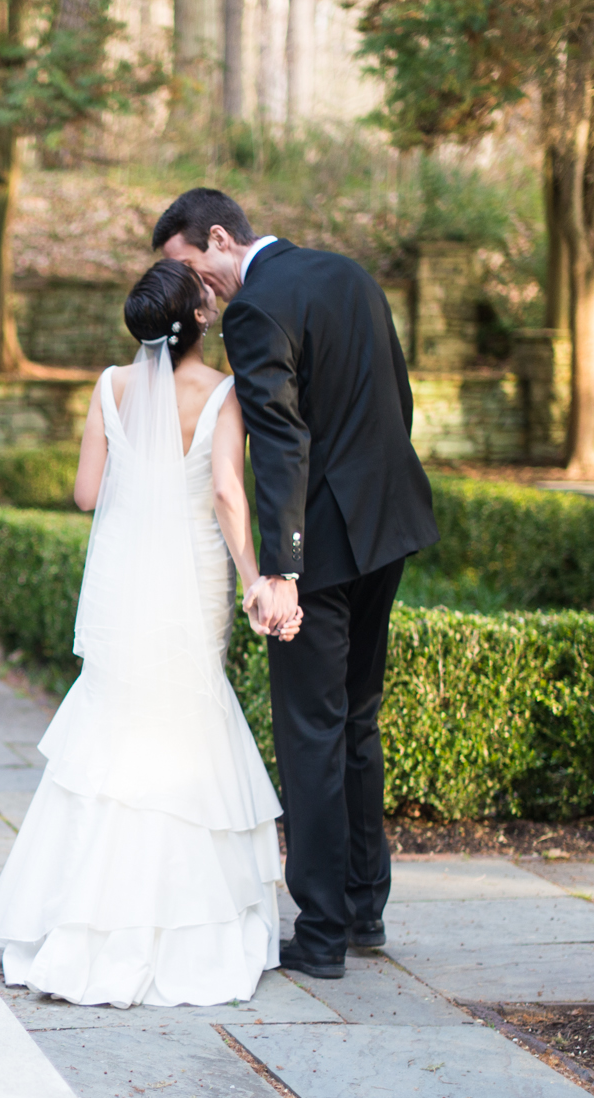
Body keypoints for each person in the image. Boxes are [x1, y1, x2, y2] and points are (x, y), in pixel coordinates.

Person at [0, 259, 302, 1008]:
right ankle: (185, 927)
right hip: (191, 580)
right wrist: (257, 575)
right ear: (201, 319)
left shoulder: (108, 387)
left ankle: (78, 921)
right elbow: (225, 492)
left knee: (112, 729)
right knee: (186, 718)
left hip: (122, 584)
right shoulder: (221, 392)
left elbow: (87, 494)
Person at [154, 188, 439, 982]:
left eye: (192, 269)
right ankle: (362, 908)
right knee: (357, 721)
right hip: (390, 526)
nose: (196, 291)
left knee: (312, 732)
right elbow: (396, 400)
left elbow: (280, 442)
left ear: (218, 237)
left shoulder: (254, 311)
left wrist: (279, 568)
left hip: (321, 551)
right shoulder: (348, 274)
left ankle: (319, 937)